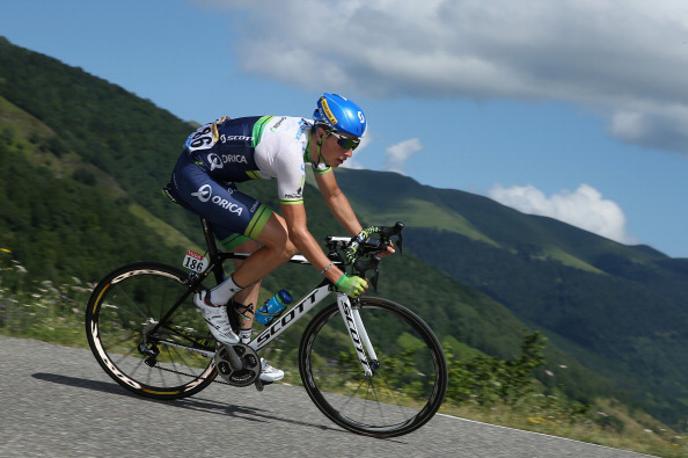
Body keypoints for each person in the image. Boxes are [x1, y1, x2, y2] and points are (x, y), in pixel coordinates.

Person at [168, 93, 394, 383]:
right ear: (323, 133)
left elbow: (334, 195)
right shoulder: (290, 152)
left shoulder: (317, 145)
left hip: (217, 177)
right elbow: (298, 232)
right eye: (346, 143)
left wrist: (362, 238)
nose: (349, 152)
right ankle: (212, 303)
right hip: (195, 175)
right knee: (284, 242)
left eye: (356, 144)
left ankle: (243, 350)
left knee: (257, 259)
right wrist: (337, 277)